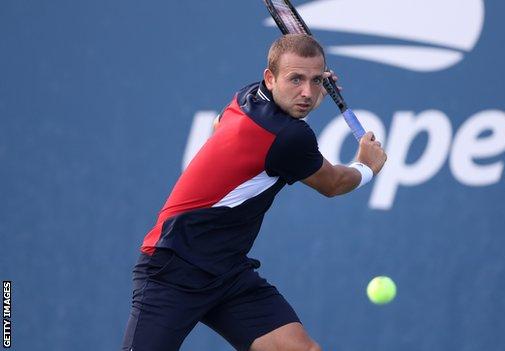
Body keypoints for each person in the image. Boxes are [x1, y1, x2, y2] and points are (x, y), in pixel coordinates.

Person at [121, 33, 387, 351]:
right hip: (172, 268)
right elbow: (332, 184)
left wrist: (305, 87)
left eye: (316, 81)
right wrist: (367, 166)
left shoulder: (248, 96)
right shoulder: (289, 137)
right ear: (270, 78)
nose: (306, 92)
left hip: (227, 271)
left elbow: (220, 126)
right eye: (296, 80)